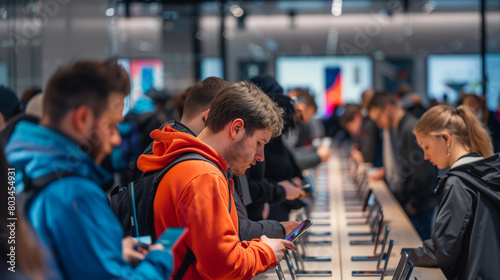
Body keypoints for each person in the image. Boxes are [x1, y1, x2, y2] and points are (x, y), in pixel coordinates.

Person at [5, 59, 173, 279]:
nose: (115, 140)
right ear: (82, 119)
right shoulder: (75, 194)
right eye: (110, 126)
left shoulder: (18, 166)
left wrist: (106, 251)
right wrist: (158, 260)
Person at [138, 81, 296, 279]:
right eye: (258, 143)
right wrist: (266, 253)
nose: (260, 156)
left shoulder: (190, 162)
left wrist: (256, 247)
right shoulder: (203, 176)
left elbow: (213, 250)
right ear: (236, 128)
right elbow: (222, 267)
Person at [406, 104, 500, 280]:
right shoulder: (487, 173)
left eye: (426, 147)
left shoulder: (458, 182)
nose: (426, 157)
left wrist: (406, 255)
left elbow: (442, 250)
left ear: (445, 139)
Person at [368, 91, 438, 240]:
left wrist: (414, 203)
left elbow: (424, 171)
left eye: (378, 118)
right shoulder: (401, 127)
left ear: (387, 108)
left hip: (421, 206)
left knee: (418, 250)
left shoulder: (411, 127)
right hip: (415, 202)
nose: (378, 123)